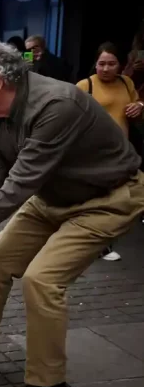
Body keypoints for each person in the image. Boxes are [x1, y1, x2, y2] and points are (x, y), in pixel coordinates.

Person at [0, 39, 144, 387]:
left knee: (41, 280)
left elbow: (20, 183)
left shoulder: (55, 105)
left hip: (107, 199)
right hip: (51, 197)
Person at [76, 42, 144, 262]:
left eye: (111, 64)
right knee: (99, 200)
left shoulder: (127, 83)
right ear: (95, 64)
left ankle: (98, 242)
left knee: (115, 201)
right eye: (101, 63)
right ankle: (100, 245)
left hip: (122, 153)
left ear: (121, 65)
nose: (105, 69)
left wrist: (140, 106)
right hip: (94, 155)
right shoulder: (85, 86)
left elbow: (135, 108)